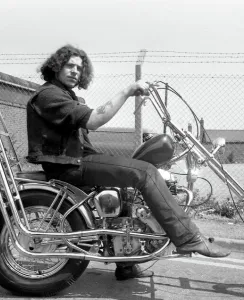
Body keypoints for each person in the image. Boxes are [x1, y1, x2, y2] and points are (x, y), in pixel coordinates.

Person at [26, 44, 230, 281]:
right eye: (69, 65)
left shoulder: (64, 94)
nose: (75, 71)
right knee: (145, 172)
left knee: (127, 189)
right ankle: (188, 238)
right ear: (56, 66)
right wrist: (128, 90)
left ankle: (126, 263)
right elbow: (94, 119)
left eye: (79, 68)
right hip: (69, 165)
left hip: (75, 160)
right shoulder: (50, 95)